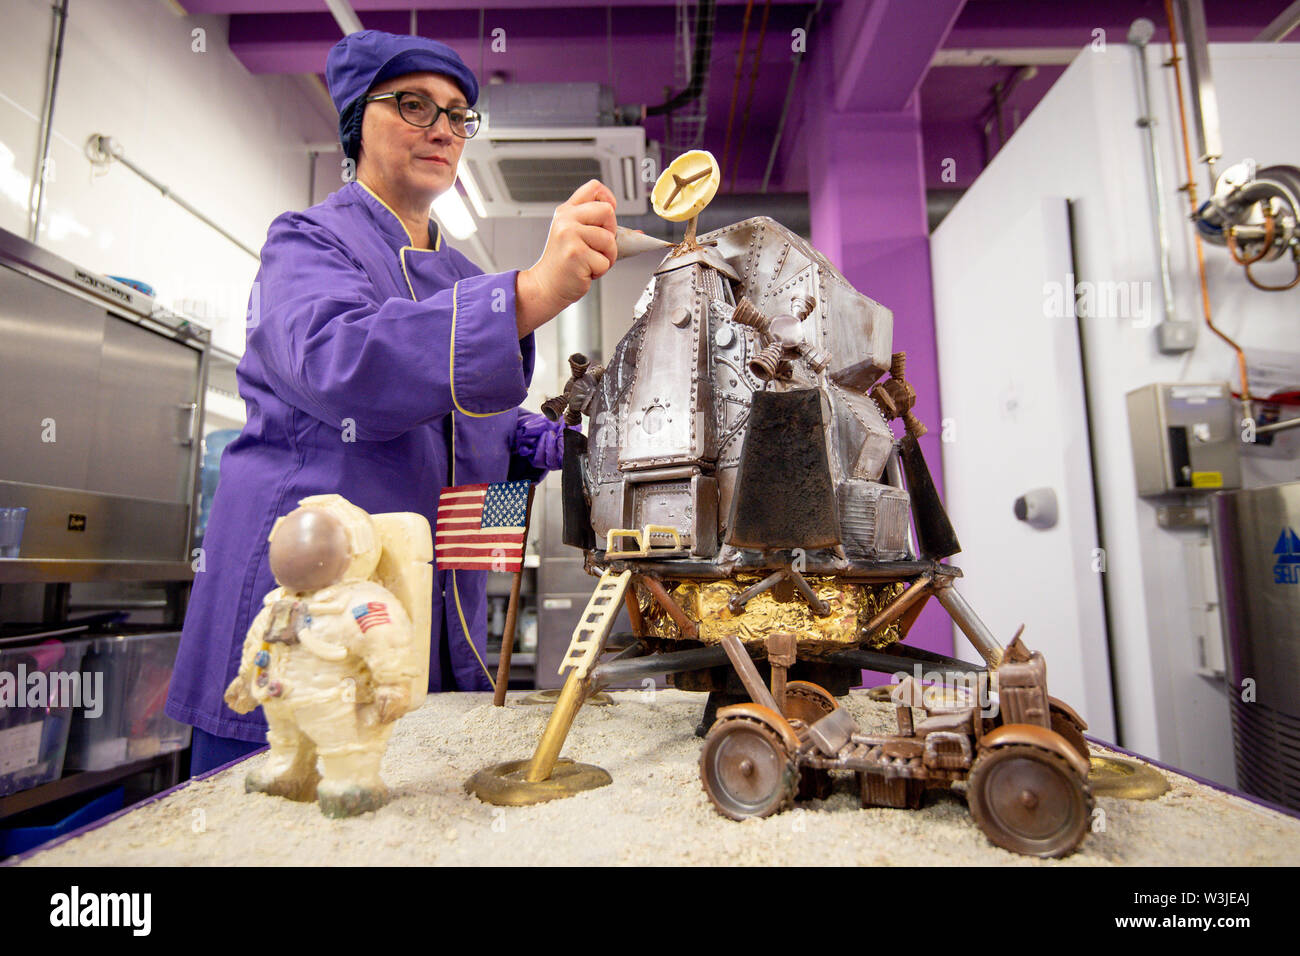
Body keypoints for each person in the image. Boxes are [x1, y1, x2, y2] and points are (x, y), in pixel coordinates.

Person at [165, 29, 619, 775]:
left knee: (405, 814)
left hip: (425, 609)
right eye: (413, 105)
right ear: (354, 121)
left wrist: (568, 444)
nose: (443, 127)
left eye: (457, 113)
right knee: (283, 807)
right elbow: (346, 363)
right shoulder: (306, 243)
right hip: (312, 607)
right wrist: (532, 292)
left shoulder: (463, 273)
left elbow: (474, 428)